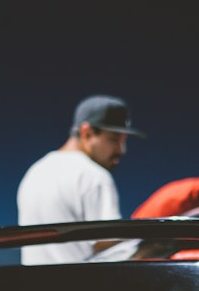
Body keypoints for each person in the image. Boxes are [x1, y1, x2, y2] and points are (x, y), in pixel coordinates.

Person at [17, 95, 145, 264]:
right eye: (114, 139)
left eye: (123, 141)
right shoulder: (94, 176)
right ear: (87, 132)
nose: (121, 150)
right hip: (79, 287)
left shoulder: (35, 172)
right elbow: (108, 246)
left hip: (33, 287)